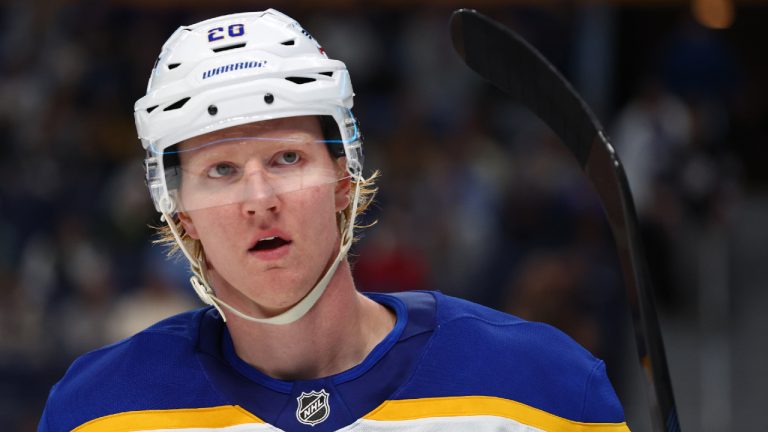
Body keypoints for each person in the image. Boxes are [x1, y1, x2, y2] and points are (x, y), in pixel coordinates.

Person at [39, 9, 630, 432]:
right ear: (179, 211)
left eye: (287, 158)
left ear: (345, 176)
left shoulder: (539, 386)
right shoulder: (98, 411)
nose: (259, 199)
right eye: (221, 170)